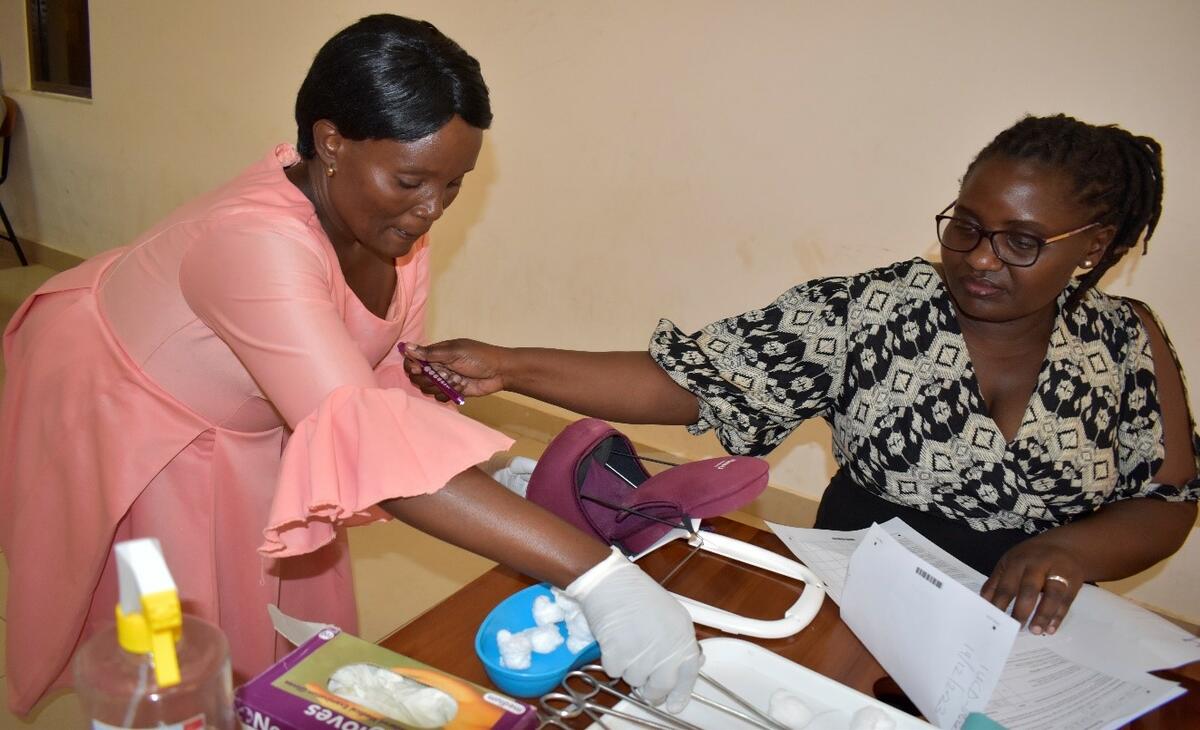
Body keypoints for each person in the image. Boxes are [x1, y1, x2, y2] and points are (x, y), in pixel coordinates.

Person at [0, 15, 700, 715]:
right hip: (151, 423)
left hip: (263, 419)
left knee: (277, 624)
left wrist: (488, 473)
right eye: (411, 180)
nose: (432, 210)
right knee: (182, 647)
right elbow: (359, 436)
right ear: (331, 142)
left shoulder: (388, 225)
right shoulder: (253, 243)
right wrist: (598, 579)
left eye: (454, 185)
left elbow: (373, 387)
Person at [405, 114, 1199, 637]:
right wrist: (508, 365)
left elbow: (1169, 500)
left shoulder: (1128, 343)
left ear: (1091, 248)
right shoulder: (874, 309)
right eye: (966, 226)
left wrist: (1071, 551)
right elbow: (691, 382)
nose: (981, 258)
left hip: (1033, 624)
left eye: (1021, 241)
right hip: (860, 600)